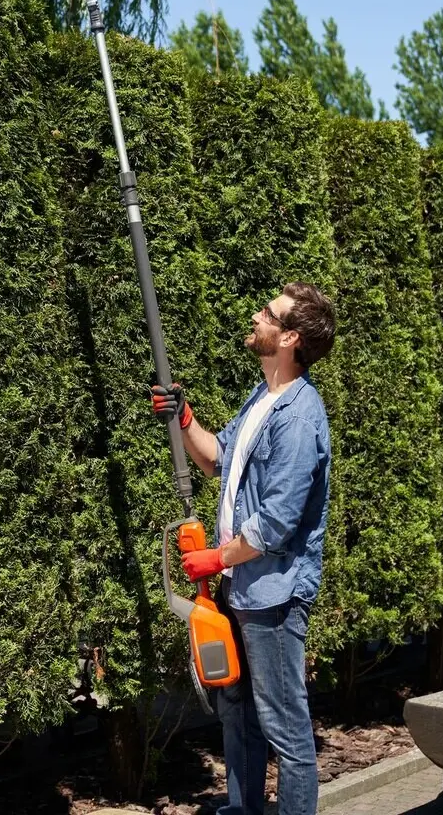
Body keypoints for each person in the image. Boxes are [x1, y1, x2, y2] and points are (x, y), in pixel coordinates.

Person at [150, 281, 336, 815]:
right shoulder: (263, 398)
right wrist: (184, 420)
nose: (256, 315)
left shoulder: (299, 417)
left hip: (272, 597)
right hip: (240, 588)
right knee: (236, 709)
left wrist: (216, 557)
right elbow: (217, 460)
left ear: (289, 337)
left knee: (285, 727)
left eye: (269, 314)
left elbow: (277, 522)